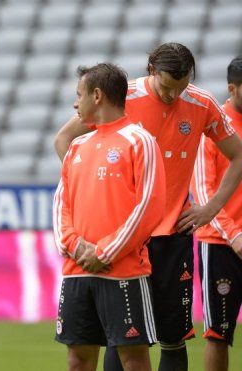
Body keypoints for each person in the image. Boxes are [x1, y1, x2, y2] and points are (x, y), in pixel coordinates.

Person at [54, 43, 242, 371]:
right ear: (152, 71)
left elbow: (238, 155)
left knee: (173, 337)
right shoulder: (123, 98)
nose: (173, 96)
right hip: (122, 239)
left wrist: (210, 208)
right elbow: (65, 140)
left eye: (181, 88)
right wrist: (93, 191)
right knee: (124, 336)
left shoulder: (201, 103)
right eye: (167, 87)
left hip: (172, 234)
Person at [54, 62, 166, 371]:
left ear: (98, 95)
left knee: (134, 361)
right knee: (77, 360)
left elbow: (149, 205)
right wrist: (76, 247)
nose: (76, 103)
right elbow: (61, 203)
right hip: (77, 271)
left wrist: (104, 251)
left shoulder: (139, 141)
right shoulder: (77, 145)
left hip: (123, 272)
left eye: (80, 95)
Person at [190, 56, 242, 371]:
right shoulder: (215, 126)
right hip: (221, 244)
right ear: (232, 88)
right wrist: (235, 236)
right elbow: (204, 191)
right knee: (218, 333)